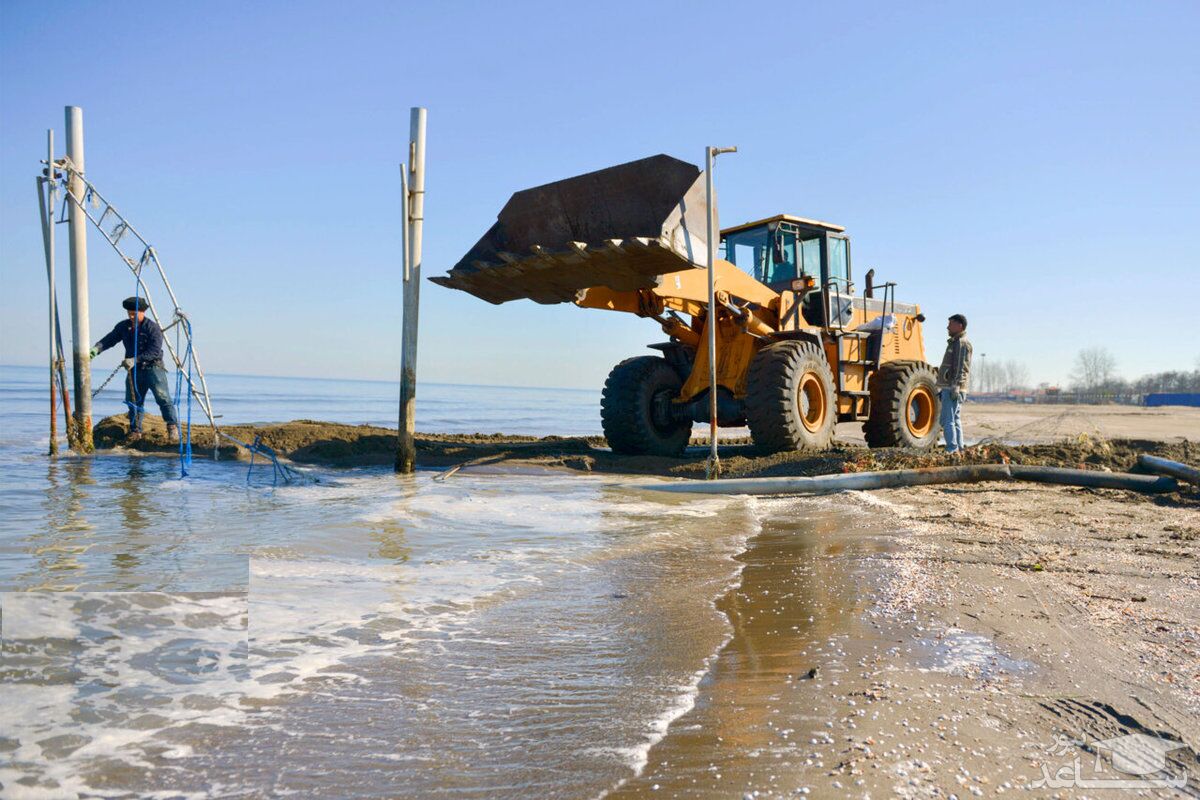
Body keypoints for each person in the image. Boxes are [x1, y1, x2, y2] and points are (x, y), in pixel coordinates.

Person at [90, 297, 179, 442]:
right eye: (129, 313)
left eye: (134, 313)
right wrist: (97, 348)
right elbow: (110, 339)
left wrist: (134, 359)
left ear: (143, 312)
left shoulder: (153, 328)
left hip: (153, 368)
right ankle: (135, 431)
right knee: (133, 400)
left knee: (163, 398)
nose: (131, 316)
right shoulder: (123, 327)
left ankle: (172, 427)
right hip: (134, 370)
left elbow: (154, 351)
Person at [936, 313, 972, 456]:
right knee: (954, 419)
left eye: (950, 324)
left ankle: (952, 449)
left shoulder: (961, 343)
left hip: (953, 388)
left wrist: (955, 386)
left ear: (959, 325)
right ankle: (960, 448)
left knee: (947, 420)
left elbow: (960, 367)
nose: (947, 327)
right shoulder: (955, 342)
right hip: (950, 387)